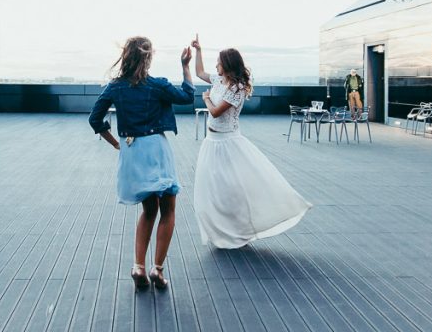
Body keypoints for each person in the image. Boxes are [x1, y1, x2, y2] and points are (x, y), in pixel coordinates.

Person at [89, 36, 194, 290]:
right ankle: (157, 269)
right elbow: (187, 96)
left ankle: (138, 266)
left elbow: (95, 118)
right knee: (168, 208)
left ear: (126, 57)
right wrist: (185, 66)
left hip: (132, 151)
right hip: (156, 149)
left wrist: (115, 142)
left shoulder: (114, 87)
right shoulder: (157, 85)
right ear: (147, 58)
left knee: (149, 210)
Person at [191, 35, 312, 249]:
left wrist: (206, 99)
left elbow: (217, 113)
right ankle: (223, 229)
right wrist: (198, 50)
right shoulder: (219, 80)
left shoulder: (236, 88)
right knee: (214, 189)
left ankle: (239, 230)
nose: (215, 66)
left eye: (218, 62)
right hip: (212, 141)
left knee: (231, 189)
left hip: (228, 144)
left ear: (227, 65)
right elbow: (199, 72)